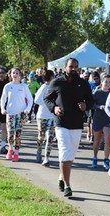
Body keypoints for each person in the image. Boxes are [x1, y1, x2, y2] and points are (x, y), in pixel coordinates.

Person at [44, 58, 93, 197]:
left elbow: (90, 101)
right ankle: (67, 185)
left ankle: (61, 176)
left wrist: (85, 106)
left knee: (71, 154)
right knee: (65, 152)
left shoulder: (83, 83)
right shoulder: (57, 82)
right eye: (71, 66)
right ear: (65, 67)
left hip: (77, 123)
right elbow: (47, 98)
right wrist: (54, 109)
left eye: (76, 67)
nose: (73, 69)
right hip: (61, 122)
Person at [0, 67, 33, 162]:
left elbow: (30, 99)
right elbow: (3, 99)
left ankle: (16, 153)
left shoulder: (23, 87)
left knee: (18, 134)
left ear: (20, 75)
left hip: (21, 113)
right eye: (13, 73)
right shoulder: (7, 86)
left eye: (17, 73)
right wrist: (3, 109)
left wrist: (27, 109)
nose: (15, 75)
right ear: (10, 75)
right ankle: (10, 149)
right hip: (10, 113)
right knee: (10, 133)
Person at [34, 69, 55, 166]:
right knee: (41, 136)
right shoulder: (43, 87)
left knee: (50, 137)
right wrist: (48, 104)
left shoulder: (55, 87)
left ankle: (46, 158)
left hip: (52, 116)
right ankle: (39, 151)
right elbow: (37, 100)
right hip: (42, 116)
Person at [91, 74, 110, 170]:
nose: (107, 84)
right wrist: (99, 107)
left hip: (108, 119)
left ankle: (106, 160)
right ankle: (95, 157)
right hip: (98, 118)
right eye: (106, 82)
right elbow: (91, 104)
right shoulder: (97, 92)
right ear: (102, 82)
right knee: (97, 140)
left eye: (109, 82)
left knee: (107, 140)